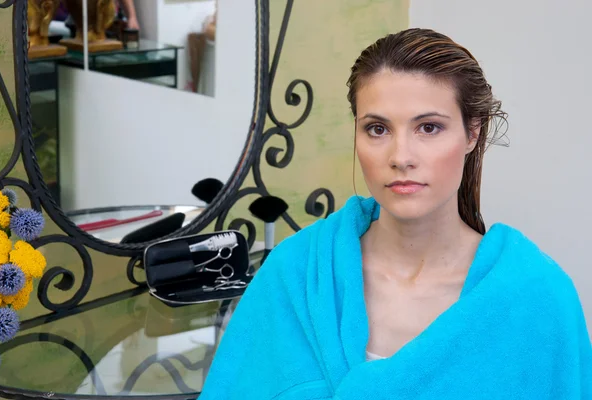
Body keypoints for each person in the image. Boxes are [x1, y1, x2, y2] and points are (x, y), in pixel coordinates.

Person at [198, 28, 592, 399]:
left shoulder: (537, 298)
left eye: (429, 128)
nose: (401, 157)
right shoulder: (294, 275)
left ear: (473, 133)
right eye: (377, 129)